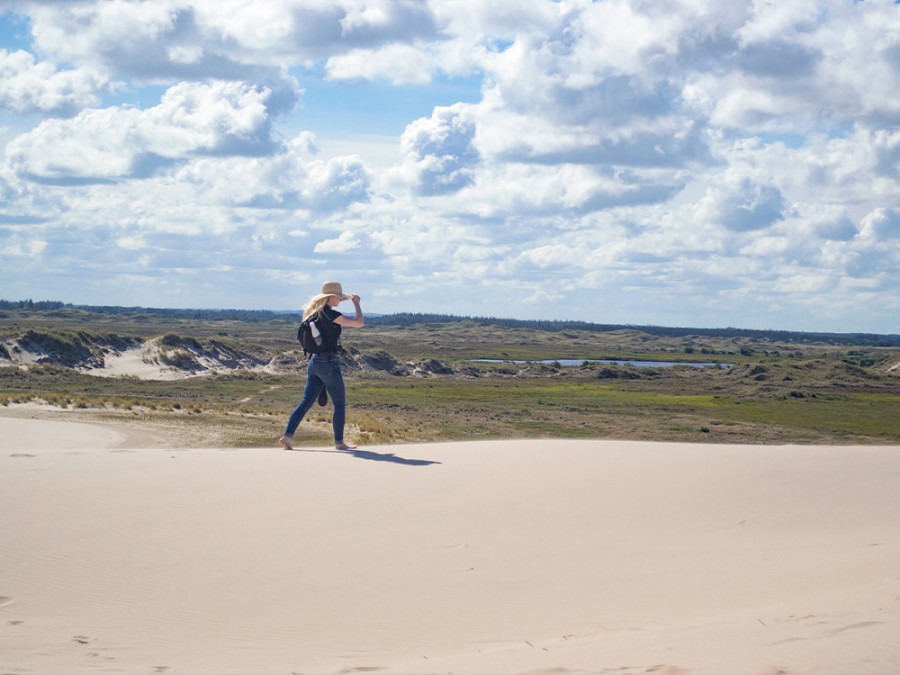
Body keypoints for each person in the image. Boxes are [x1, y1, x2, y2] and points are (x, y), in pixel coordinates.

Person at [279, 281, 364, 451]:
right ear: (330, 297)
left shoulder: (313, 314)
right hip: (328, 363)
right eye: (338, 297)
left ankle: (287, 436)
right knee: (339, 404)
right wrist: (356, 304)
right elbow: (358, 322)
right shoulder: (329, 315)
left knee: (305, 403)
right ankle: (339, 442)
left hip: (314, 362)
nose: (339, 300)